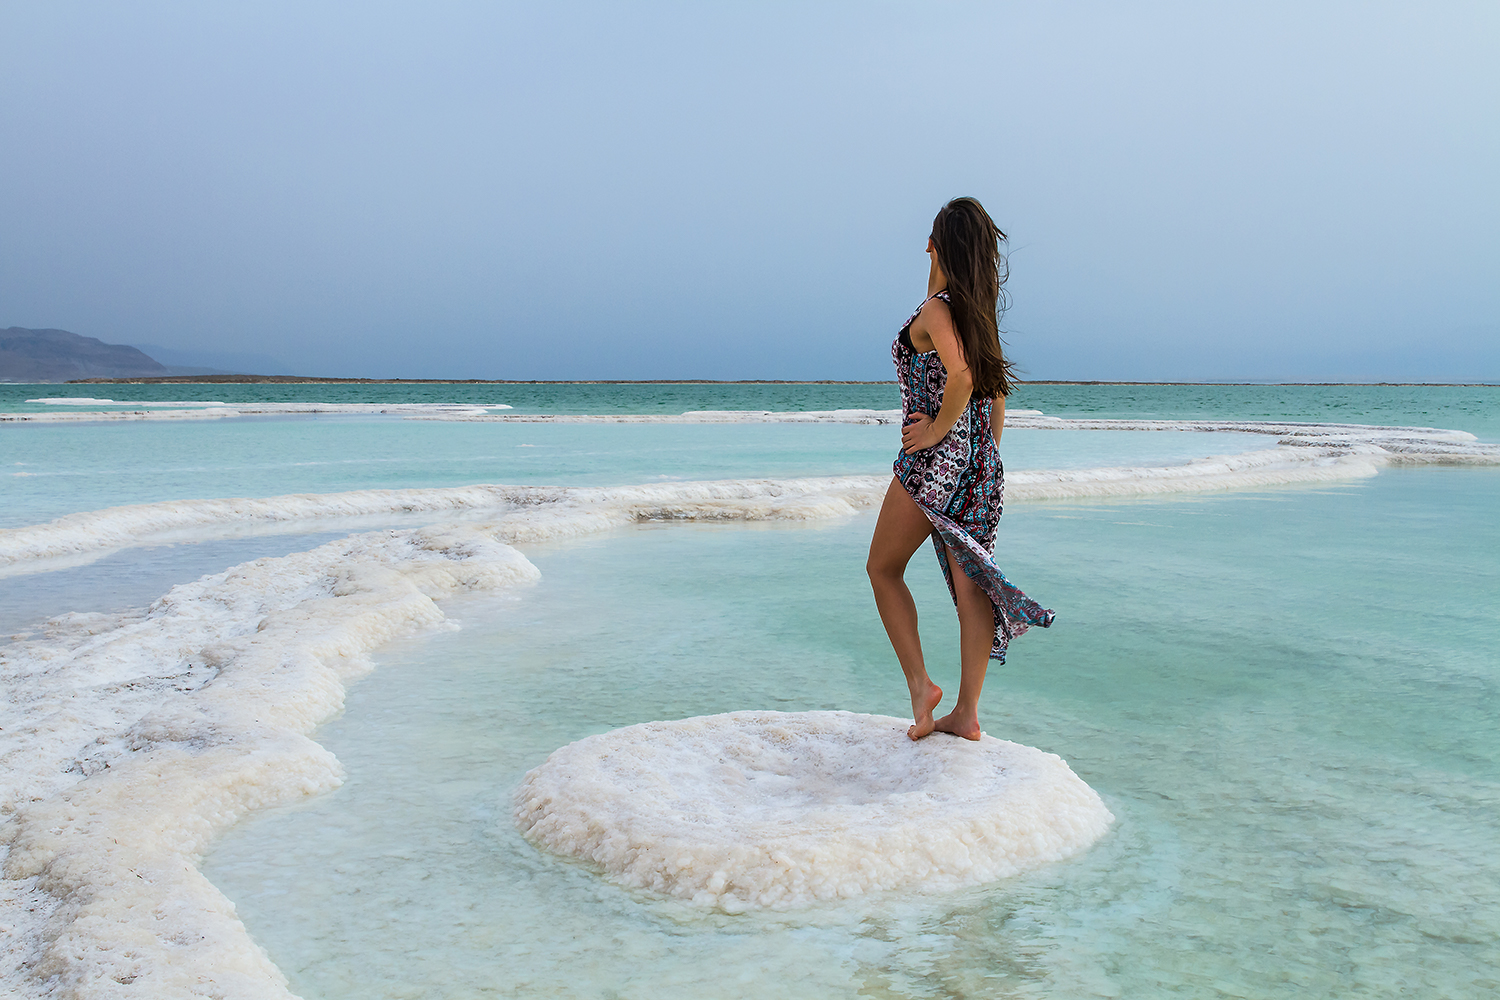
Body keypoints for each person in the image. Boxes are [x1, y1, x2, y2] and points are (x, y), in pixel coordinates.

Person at [866, 197, 1055, 742]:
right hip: (981, 466)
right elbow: (993, 395)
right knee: (970, 583)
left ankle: (923, 687)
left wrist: (933, 434)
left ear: (934, 244)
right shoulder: (978, 315)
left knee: (882, 568)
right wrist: (983, 456)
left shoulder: (935, 311)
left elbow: (964, 378)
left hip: (934, 463)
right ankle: (966, 712)